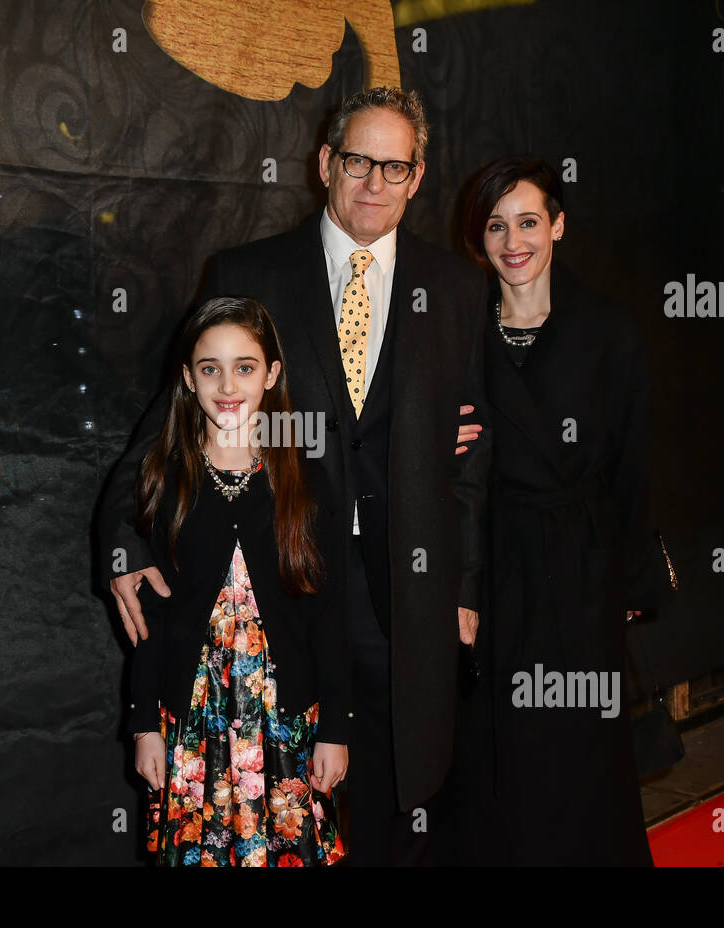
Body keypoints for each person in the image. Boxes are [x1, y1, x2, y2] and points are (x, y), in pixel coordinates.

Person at [101, 87, 491, 866]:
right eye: (357, 161)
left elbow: (471, 461)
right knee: (281, 798)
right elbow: (162, 429)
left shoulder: (456, 289)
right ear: (325, 164)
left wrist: (465, 587)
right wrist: (121, 544)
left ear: (417, 178)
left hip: (402, 587)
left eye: (394, 166)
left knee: (393, 788)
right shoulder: (250, 271)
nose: (374, 183)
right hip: (282, 577)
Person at [457, 155, 669, 865]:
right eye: (496, 225)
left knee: (580, 751)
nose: (513, 241)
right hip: (492, 569)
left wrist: (634, 579)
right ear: (479, 237)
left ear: (558, 225)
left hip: (580, 570)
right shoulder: (458, 334)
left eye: (528, 221)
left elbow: (632, 469)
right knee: (499, 754)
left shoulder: (610, 332)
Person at [128, 296, 348, 866]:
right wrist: (143, 725)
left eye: (245, 367)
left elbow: (331, 615)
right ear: (187, 378)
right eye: (210, 368)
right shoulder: (163, 480)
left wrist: (337, 730)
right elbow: (150, 617)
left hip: (285, 718)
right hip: (192, 721)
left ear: (272, 374)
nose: (228, 384)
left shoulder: (308, 483)